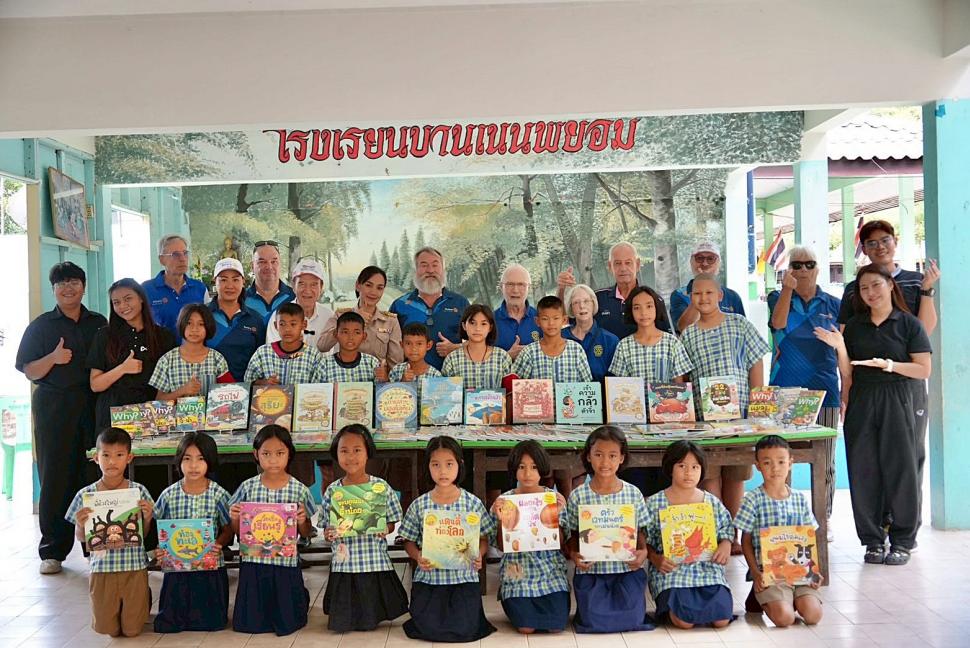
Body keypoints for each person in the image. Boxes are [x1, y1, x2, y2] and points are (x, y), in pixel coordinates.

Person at [815, 264, 931, 566]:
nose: (870, 293)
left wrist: (889, 365)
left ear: (890, 285)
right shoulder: (855, 325)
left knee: (901, 468)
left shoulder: (908, 324)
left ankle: (903, 540)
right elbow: (848, 371)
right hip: (863, 397)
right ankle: (873, 540)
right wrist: (840, 348)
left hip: (898, 396)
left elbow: (923, 369)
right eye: (864, 288)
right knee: (863, 469)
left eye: (876, 285)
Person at [15, 262, 106, 575]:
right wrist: (53, 359)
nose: (68, 288)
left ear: (83, 286)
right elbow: (29, 370)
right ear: (53, 289)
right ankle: (53, 551)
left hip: (92, 405)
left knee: (93, 473)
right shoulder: (41, 326)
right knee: (55, 476)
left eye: (74, 282)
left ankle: (96, 546)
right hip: (54, 408)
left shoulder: (98, 322)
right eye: (62, 284)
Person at [680, 274, 770, 550]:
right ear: (691, 298)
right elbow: (684, 376)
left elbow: (755, 363)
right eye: (697, 294)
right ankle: (719, 535)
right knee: (709, 474)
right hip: (704, 419)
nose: (703, 298)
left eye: (709, 292)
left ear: (720, 295)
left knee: (736, 473)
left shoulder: (739, 324)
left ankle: (734, 533)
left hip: (740, 415)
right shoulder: (688, 334)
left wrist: (757, 403)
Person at [766, 245, 841, 527]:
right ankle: (781, 518)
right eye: (796, 265)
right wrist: (788, 288)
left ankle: (824, 518)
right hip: (785, 391)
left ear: (818, 268)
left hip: (825, 390)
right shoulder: (777, 297)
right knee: (780, 460)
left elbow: (843, 349)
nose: (803, 270)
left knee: (826, 460)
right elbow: (778, 323)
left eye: (809, 264)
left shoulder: (834, 304)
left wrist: (847, 391)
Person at [399, 436, 496, 642]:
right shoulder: (419, 505)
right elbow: (407, 541)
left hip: (463, 580)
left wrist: (479, 554)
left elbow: (484, 538)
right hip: (430, 580)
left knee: (465, 629)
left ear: (460, 465)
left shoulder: (472, 503)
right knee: (428, 629)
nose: (442, 471)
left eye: (449, 464)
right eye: (436, 465)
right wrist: (418, 556)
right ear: (428, 467)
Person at [563, 426, 653, 633]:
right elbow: (573, 533)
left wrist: (643, 552)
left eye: (612, 455)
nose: (605, 462)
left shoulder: (633, 493)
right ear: (588, 456)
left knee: (632, 619)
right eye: (598, 455)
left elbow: (640, 530)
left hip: (626, 570)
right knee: (593, 621)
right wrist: (574, 554)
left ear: (622, 458)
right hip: (593, 571)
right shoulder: (578, 495)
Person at [65, 428, 154, 637]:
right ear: (96, 458)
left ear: (129, 458)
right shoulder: (86, 495)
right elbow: (81, 538)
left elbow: (143, 534)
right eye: (106, 455)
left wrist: (147, 518)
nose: (112, 461)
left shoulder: (138, 491)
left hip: (134, 566)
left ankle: (143, 598)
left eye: (119, 455)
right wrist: (81, 525)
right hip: (102, 568)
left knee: (132, 630)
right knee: (108, 629)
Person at [229, 425, 316, 636]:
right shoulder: (247, 487)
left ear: (289, 454)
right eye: (266, 454)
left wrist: (302, 520)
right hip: (254, 560)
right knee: (251, 622)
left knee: (288, 618)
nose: (273, 460)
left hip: (285, 562)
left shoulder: (299, 489)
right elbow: (239, 532)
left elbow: (306, 532)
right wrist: (235, 518)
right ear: (256, 454)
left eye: (280, 453)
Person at [320, 425, 409, 632]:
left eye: (357, 450)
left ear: (368, 452)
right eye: (344, 451)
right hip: (345, 560)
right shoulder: (333, 490)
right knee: (346, 595)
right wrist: (329, 533)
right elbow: (326, 526)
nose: (351, 456)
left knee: (371, 595)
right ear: (336, 454)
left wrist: (386, 528)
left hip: (373, 557)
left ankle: (371, 618)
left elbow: (392, 521)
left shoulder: (380, 487)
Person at [735, 435, 824, 626]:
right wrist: (756, 573)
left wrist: (814, 571)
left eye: (781, 462)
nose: (775, 468)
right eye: (767, 463)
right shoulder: (752, 499)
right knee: (785, 619)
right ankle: (764, 599)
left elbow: (809, 537)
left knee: (813, 616)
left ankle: (789, 599)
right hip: (769, 573)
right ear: (758, 466)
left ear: (790, 463)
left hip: (800, 572)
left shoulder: (799, 498)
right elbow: (746, 541)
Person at [644, 441, 734, 629]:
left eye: (695, 467)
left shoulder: (711, 502)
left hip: (707, 569)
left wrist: (726, 544)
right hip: (672, 570)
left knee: (721, 620)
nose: (688, 473)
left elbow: (727, 528)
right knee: (684, 622)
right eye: (681, 466)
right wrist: (655, 558)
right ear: (670, 468)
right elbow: (644, 538)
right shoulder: (655, 503)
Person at [153, 432, 233, 633]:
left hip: (209, 564)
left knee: (213, 621)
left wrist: (219, 544)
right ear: (179, 461)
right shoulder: (169, 495)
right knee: (171, 620)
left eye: (201, 459)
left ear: (210, 461)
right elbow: (158, 526)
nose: (193, 465)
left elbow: (228, 529)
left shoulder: (219, 494)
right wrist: (159, 549)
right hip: (177, 565)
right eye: (187, 459)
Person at [490, 440, 569, 634]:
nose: (527, 474)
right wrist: (501, 521)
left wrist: (555, 516)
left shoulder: (552, 499)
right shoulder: (505, 501)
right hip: (517, 573)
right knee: (526, 627)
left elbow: (560, 543)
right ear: (514, 469)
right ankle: (512, 599)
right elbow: (501, 546)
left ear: (543, 469)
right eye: (521, 467)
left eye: (534, 467)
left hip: (550, 572)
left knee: (557, 626)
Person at [87, 278, 176, 433]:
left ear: (141, 298)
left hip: (152, 416)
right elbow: (95, 385)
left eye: (128, 299)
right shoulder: (104, 336)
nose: (123, 306)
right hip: (113, 419)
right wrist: (122, 368)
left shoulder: (163, 336)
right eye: (116, 302)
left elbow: (170, 382)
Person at [837, 219, 940, 334]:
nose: (880, 247)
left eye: (885, 240)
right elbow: (845, 332)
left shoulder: (916, 280)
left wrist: (926, 289)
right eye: (872, 243)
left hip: (909, 346)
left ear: (895, 242)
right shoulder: (854, 288)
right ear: (864, 249)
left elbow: (925, 331)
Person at [557, 241, 672, 337]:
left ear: (637, 264)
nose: (623, 268)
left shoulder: (652, 300)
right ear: (610, 266)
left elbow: (664, 338)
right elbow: (565, 319)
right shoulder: (597, 299)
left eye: (628, 263)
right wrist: (561, 288)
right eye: (617, 263)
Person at [390, 247, 470, 370]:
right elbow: (390, 346)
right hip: (412, 378)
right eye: (424, 265)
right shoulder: (399, 305)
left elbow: (480, 341)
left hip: (451, 378)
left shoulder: (461, 303)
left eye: (435, 265)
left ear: (443, 270)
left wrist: (457, 348)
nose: (430, 270)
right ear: (415, 271)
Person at [318, 266, 402, 369]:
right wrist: (350, 321)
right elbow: (322, 346)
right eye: (368, 285)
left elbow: (396, 363)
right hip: (343, 376)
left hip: (376, 377)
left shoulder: (390, 321)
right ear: (358, 285)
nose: (373, 292)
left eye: (379, 288)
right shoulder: (340, 316)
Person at [609, 285, 693, 384]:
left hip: (667, 395)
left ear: (656, 308)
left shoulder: (672, 343)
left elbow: (679, 385)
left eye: (649, 306)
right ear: (631, 311)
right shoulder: (623, 346)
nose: (643, 313)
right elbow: (622, 387)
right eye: (637, 308)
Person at [149, 304, 231, 400]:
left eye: (201, 324)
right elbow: (159, 400)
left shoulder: (217, 359)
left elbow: (229, 393)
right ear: (181, 324)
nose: (194, 329)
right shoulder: (167, 360)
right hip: (177, 410)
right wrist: (182, 391)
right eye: (189, 323)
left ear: (208, 327)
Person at [207, 258, 266, 382]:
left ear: (243, 282)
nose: (230, 286)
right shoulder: (202, 315)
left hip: (246, 389)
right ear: (214, 281)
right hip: (209, 389)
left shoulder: (255, 319)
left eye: (235, 280)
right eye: (223, 280)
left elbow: (262, 359)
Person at [669, 242, 746, 333]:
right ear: (691, 262)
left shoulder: (732, 296)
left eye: (710, 259)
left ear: (719, 264)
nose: (705, 263)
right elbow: (684, 329)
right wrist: (701, 284)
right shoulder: (679, 295)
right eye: (699, 258)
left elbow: (742, 330)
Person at [512, 296, 593, 383]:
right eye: (545, 319)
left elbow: (587, 385)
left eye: (556, 318)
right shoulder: (529, 352)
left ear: (564, 320)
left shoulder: (576, 350)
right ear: (537, 321)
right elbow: (514, 385)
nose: (551, 323)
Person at [142, 234, 208, 338]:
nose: (182, 259)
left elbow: (207, 324)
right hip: (160, 347)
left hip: (193, 347)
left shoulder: (200, 289)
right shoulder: (146, 289)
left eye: (185, 253)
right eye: (175, 254)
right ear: (162, 259)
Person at [244, 302, 323, 385]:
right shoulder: (263, 353)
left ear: (304, 325)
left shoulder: (313, 356)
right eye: (282, 324)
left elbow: (320, 388)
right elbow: (247, 383)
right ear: (275, 325)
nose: (287, 329)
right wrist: (262, 383)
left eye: (293, 324)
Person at [267, 258, 335, 349]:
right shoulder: (279, 316)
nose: (307, 290)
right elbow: (272, 353)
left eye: (313, 284)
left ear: (321, 287)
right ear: (293, 286)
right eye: (301, 284)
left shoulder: (329, 317)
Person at [442, 304, 513, 391]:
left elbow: (510, 392)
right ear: (464, 326)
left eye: (483, 324)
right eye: (472, 323)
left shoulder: (502, 357)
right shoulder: (452, 359)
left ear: (490, 328)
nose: (478, 328)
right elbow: (445, 395)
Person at [562, 284, 619, 382]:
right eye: (576, 302)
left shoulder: (610, 340)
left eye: (586, 301)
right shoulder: (560, 336)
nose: (582, 306)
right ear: (570, 308)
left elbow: (616, 380)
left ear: (593, 304)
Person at [317, 311, 381, 383]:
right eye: (345, 332)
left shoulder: (372, 362)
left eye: (357, 333)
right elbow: (317, 389)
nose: (350, 337)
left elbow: (381, 388)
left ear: (364, 336)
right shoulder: (324, 364)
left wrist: (384, 379)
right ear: (335, 334)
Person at [494, 263, 542, 359]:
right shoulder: (489, 321)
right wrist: (507, 357)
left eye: (521, 284)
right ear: (501, 287)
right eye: (510, 284)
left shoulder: (541, 318)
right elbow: (480, 361)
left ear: (529, 288)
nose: (515, 290)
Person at [244, 240, 295, 324]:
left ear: (280, 264)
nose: (269, 267)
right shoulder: (240, 301)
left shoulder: (294, 298)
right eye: (262, 262)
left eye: (274, 262)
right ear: (252, 266)